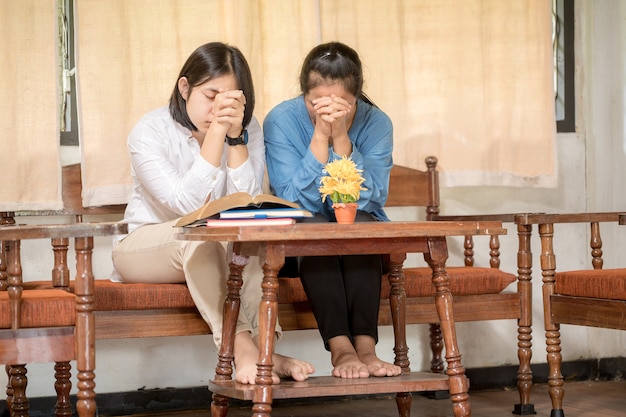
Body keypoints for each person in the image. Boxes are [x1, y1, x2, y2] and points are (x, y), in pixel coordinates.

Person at [111, 42, 314, 385]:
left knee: (248, 241)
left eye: (231, 98)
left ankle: (265, 351)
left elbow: (246, 204)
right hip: (143, 245)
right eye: (211, 95)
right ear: (185, 87)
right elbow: (186, 208)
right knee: (197, 237)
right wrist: (218, 133)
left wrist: (236, 139)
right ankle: (243, 349)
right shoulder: (149, 131)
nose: (220, 107)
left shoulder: (249, 129)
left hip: (214, 243)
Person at [263, 41, 401, 379]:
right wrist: (319, 140)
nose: (328, 112)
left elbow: (373, 197)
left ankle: (367, 350)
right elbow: (293, 200)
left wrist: (342, 139)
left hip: (360, 233)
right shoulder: (281, 120)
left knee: (359, 231)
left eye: (341, 105)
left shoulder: (377, 122)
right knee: (318, 232)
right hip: (300, 240)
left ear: (356, 98)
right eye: (317, 104)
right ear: (304, 95)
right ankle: (341, 349)